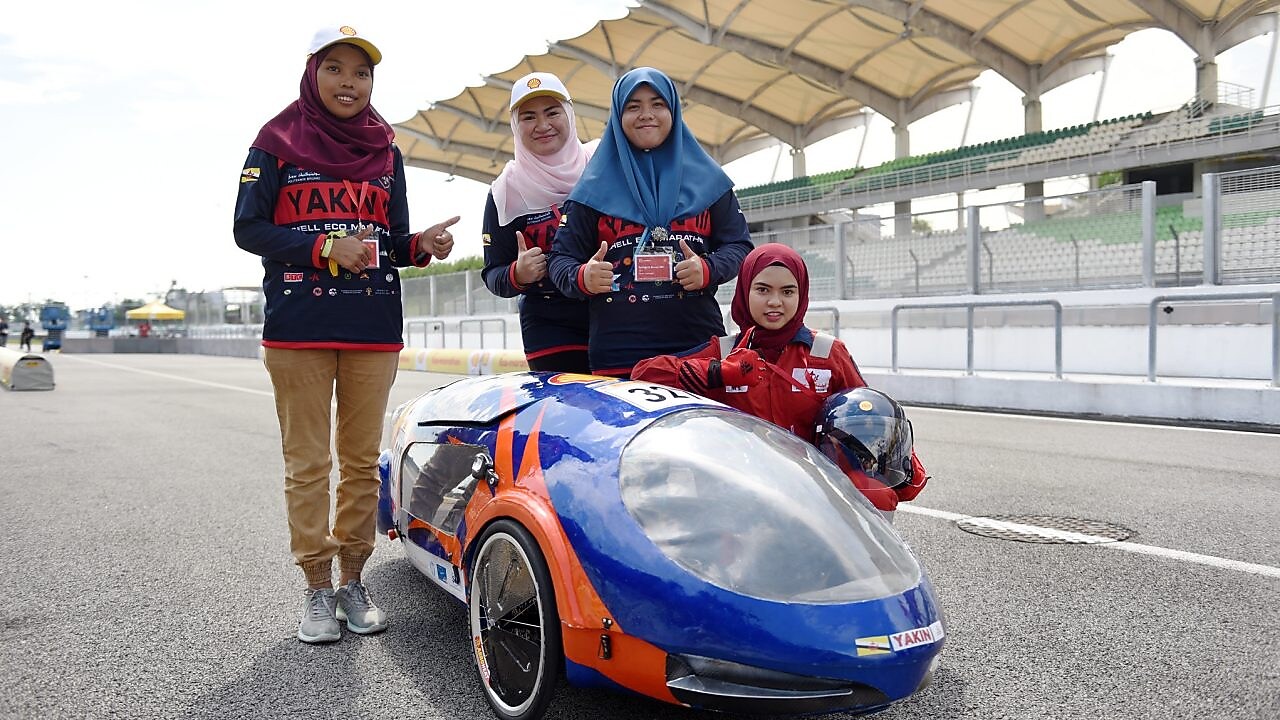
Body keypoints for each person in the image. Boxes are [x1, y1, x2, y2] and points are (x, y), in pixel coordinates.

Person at [232, 25, 459, 644]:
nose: (349, 83)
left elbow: (393, 241)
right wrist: (325, 246)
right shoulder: (275, 141)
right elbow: (248, 229)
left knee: (361, 465)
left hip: (372, 326)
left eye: (362, 73)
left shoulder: (386, 150)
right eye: (335, 68)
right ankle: (315, 586)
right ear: (313, 73)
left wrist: (422, 244)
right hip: (297, 328)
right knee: (308, 464)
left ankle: (353, 581)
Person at [633, 243, 928, 513]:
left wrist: (903, 473)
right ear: (745, 291)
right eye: (763, 290)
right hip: (740, 500)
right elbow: (644, 373)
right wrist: (716, 372)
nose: (775, 301)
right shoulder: (724, 352)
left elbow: (869, 416)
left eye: (787, 292)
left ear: (801, 295)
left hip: (815, 502)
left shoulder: (828, 353)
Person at [547, 67, 753, 378]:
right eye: (633, 106)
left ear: (674, 110)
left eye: (658, 104)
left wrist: (709, 268)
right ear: (618, 115)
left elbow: (739, 246)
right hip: (620, 355)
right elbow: (559, 259)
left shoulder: (710, 182)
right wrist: (582, 277)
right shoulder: (592, 188)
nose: (646, 114)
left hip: (698, 349)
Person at [481, 72, 594, 373]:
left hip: (612, 317)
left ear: (569, 113)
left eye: (552, 112)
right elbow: (492, 272)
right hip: (549, 327)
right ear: (515, 126)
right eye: (528, 117)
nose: (542, 125)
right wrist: (518, 274)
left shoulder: (600, 167)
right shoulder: (505, 191)